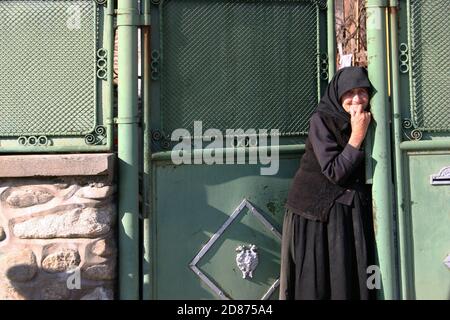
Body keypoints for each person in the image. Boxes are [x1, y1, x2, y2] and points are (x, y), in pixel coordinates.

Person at [279, 66, 376, 300]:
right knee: (319, 284)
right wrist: (356, 136)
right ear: (337, 94)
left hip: (344, 212)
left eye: (362, 91)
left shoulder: (370, 119)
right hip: (315, 215)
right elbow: (334, 171)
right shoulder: (321, 120)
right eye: (349, 93)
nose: (356, 99)